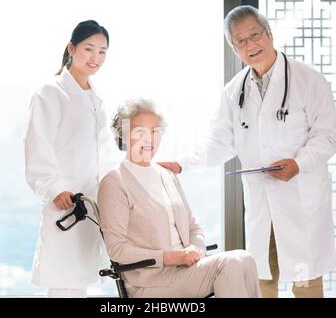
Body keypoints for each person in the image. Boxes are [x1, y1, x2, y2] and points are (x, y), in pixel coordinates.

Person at [160, 6, 336, 298]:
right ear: (234, 49)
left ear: (269, 34)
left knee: (306, 285)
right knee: (262, 283)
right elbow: (218, 143)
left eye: (254, 35)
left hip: (300, 202)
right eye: (240, 41)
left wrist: (298, 163)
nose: (250, 45)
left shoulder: (309, 80)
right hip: (262, 205)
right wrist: (182, 164)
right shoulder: (234, 91)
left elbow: (328, 137)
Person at [97, 99, 261, 298]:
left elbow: (194, 227)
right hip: (150, 281)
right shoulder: (115, 182)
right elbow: (117, 249)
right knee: (231, 264)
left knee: (246, 259)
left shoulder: (167, 175)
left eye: (155, 131)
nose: (149, 139)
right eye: (140, 132)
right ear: (123, 135)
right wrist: (171, 257)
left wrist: (195, 249)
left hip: (187, 271)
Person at [24, 20, 114, 298]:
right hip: (65, 201)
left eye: (102, 51)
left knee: (80, 282)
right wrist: (54, 188)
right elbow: (37, 144)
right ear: (71, 48)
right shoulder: (51, 92)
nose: (95, 58)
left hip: (91, 202)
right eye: (89, 49)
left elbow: (102, 154)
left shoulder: (96, 98)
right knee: (64, 283)